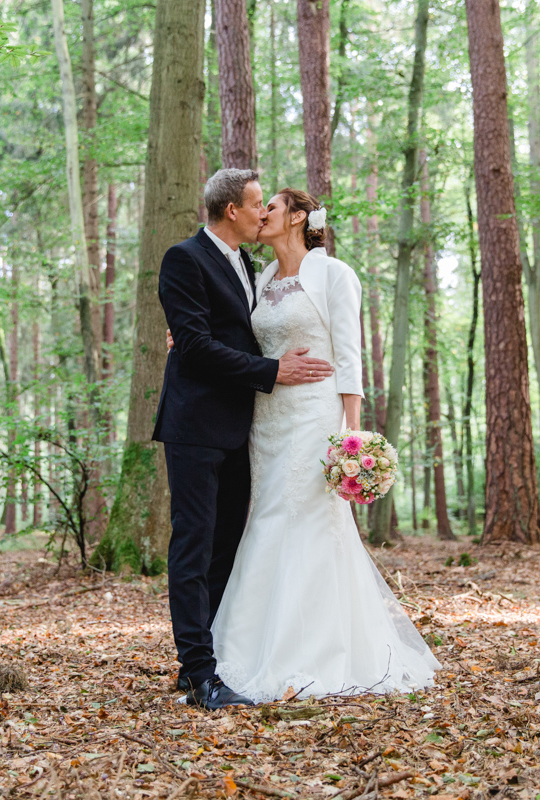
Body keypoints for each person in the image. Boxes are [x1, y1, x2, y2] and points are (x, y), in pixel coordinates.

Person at [209, 188, 441, 702]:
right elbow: (233, 337)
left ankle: (317, 651)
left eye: (271, 206)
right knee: (266, 518)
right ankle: (248, 649)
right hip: (266, 419)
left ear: (296, 217)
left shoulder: (334, 274)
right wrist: (184, 336)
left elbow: (349, 357)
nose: (261, 214)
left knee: (310, 522)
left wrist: (352, 439)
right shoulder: (260, 277)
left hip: (316, 417)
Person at [153, 169, 335, 710]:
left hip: (241, 428)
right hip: (194, 425)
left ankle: (212, 658)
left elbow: (227, 331)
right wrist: (271, 370)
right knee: (193, 545)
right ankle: (198, 674)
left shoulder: (248, 265)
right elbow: (196, 345)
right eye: (257, 203)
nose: (262, 212)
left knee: (225, 546)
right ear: (232, 209)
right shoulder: (183, 258)